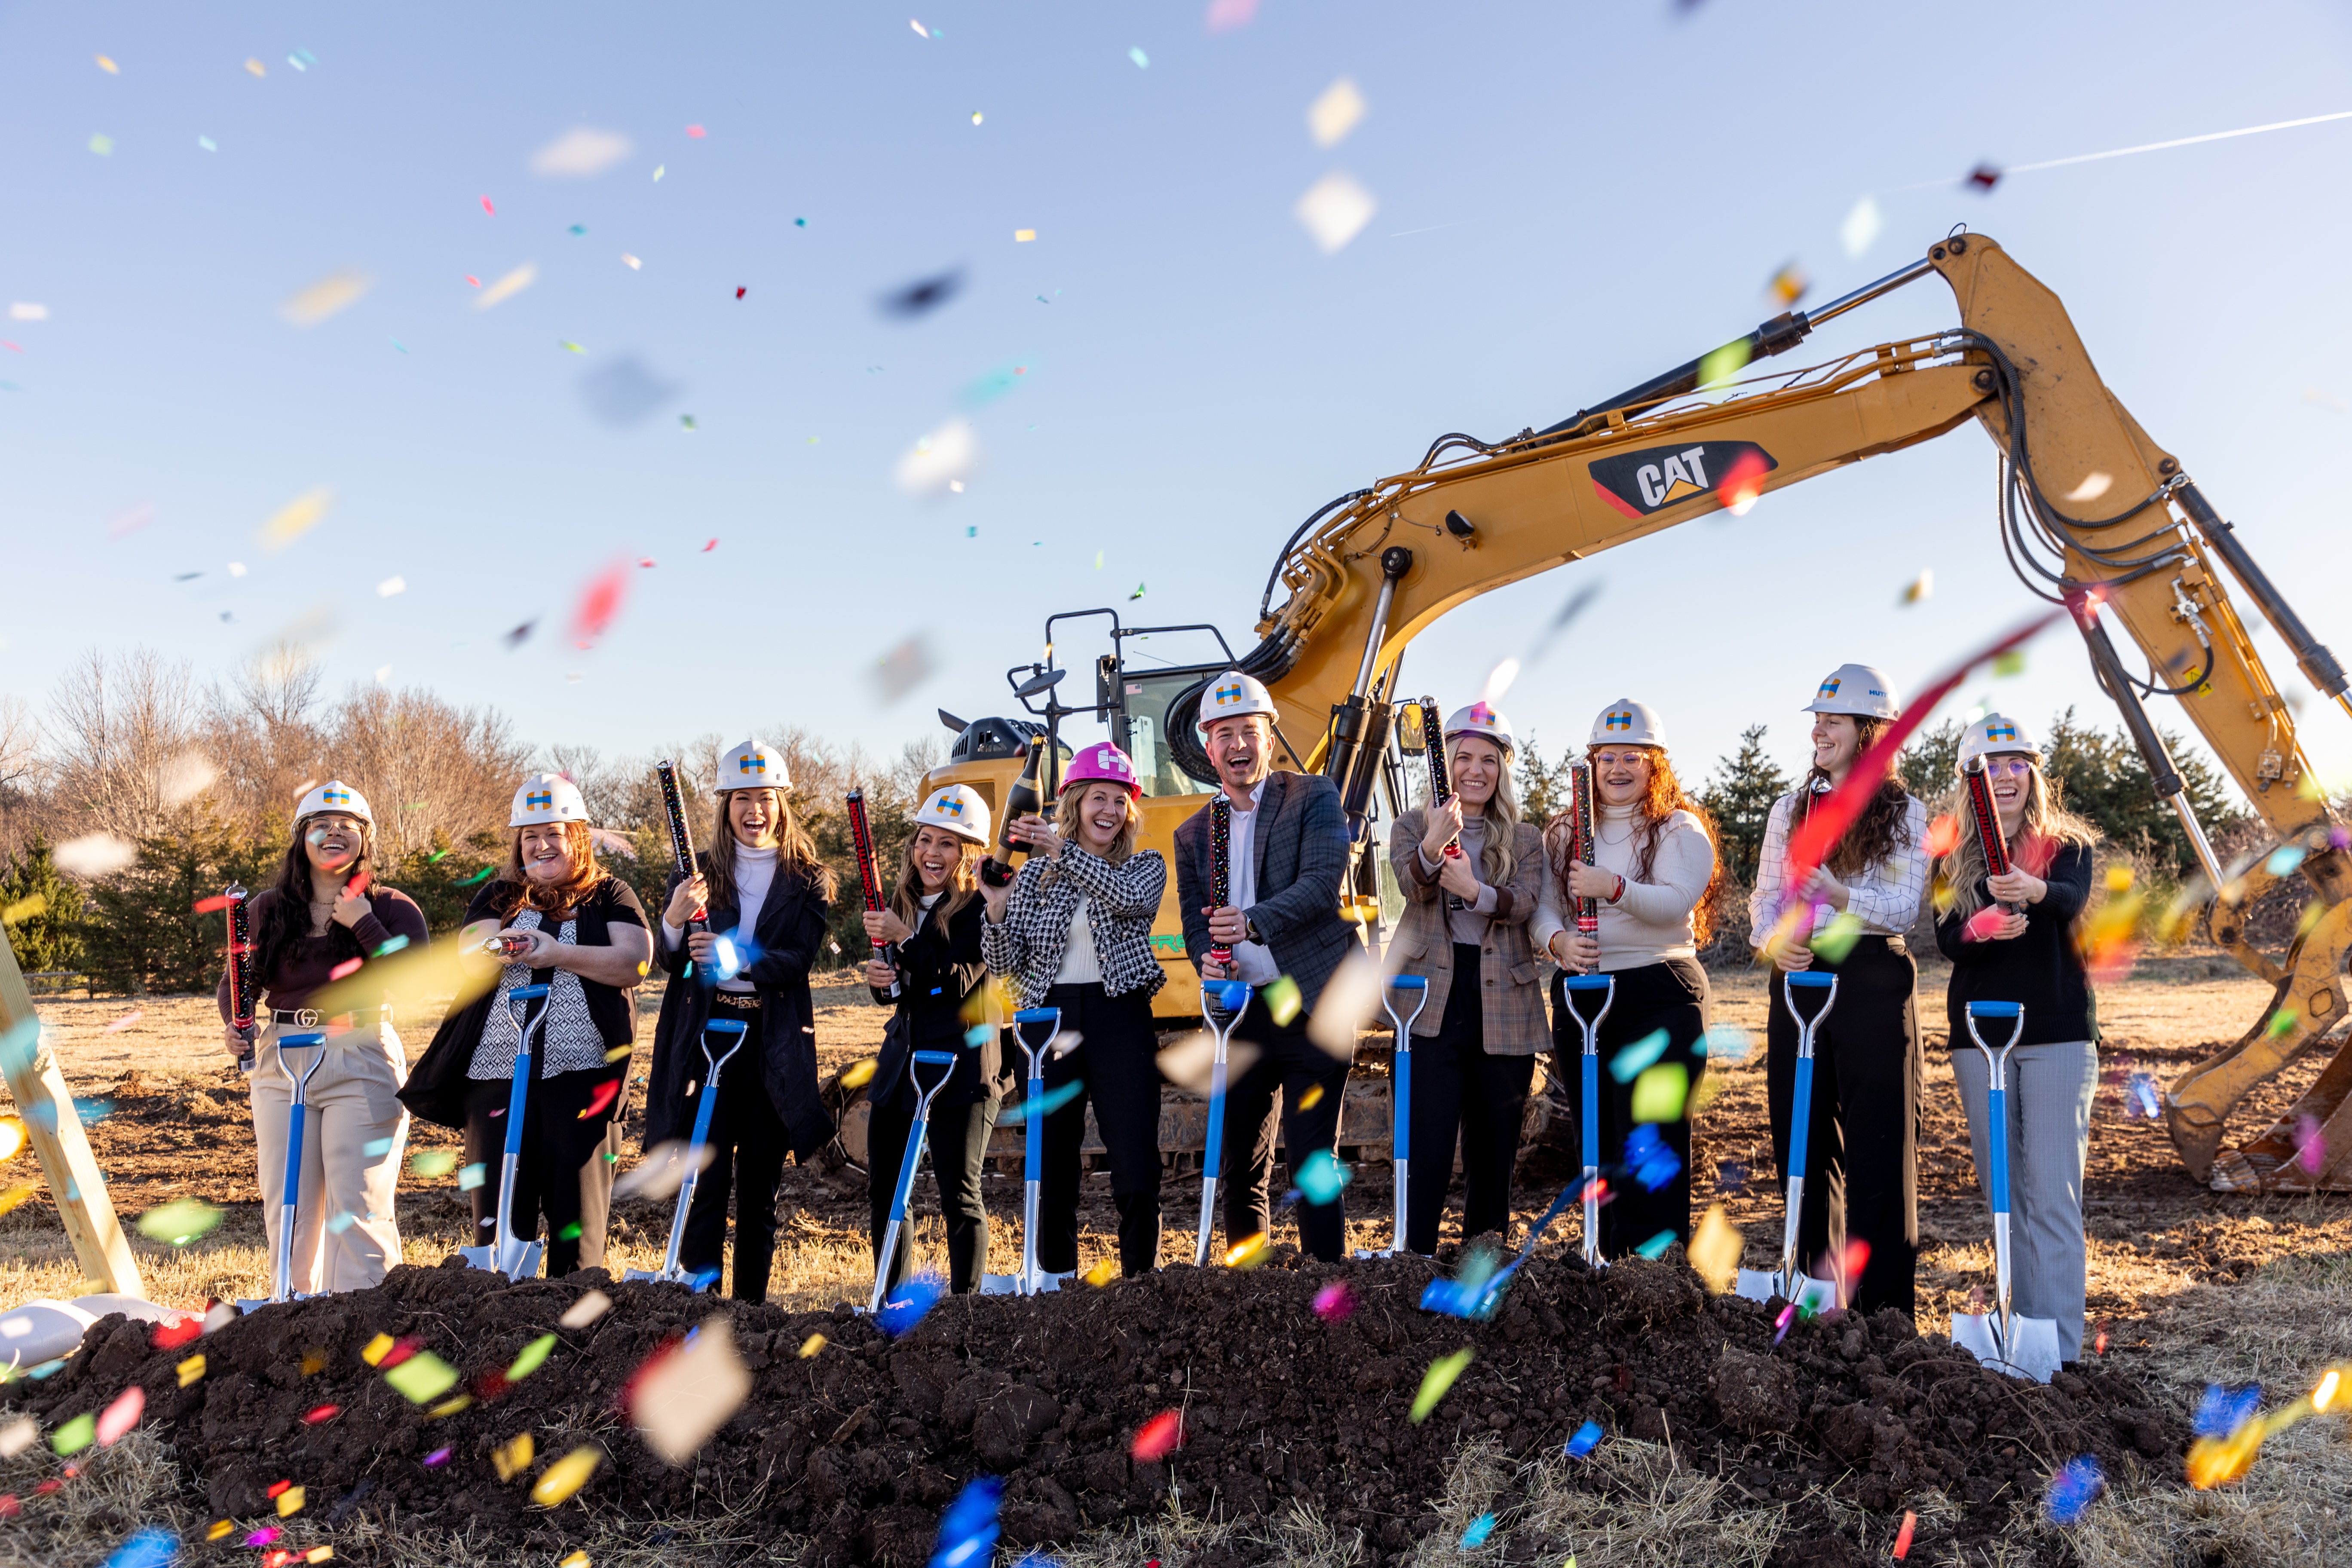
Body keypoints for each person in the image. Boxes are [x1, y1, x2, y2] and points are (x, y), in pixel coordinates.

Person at [399, 772, 649, 1278]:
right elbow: (473, 956)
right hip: (497, 1079)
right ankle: (501, 1320)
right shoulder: (499, 895)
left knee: (575, 1225)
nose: (541, 846)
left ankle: (575, 1318)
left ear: (576, 837)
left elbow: (634, 961)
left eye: (553, 834)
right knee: (498, 1220)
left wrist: (557, 953)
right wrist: (507, 945)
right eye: (530, 836)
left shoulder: (610, 894)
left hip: (583, 1077)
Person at [1746, 663, 1930, 1316]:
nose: (1819, 729)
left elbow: (1906, 906)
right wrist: (1772, 942)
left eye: (1834, 719)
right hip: (1797, 979)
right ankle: (1818, 1298)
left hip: (1871, 980)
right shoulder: (1788, 809)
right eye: (1817, 719)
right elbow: (1765, 899)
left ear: (1869, 732)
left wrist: (1839, 894)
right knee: (1802, 1141)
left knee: (1879, 1144)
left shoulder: (1906, 812)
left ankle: (1883, 1313)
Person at [1174, 671, 1362, 1263]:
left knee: (1313, 1161)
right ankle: (1248, 1291)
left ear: (1269, 735)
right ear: (1208, 747)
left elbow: (1319, 886)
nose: (1237, 746)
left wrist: (1252, 921)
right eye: (1224, 734)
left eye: (1248, 731)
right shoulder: (1193, 833)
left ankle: (1323, 1282)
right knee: (1241, 1166)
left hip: (1313, 1000)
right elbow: (1195, 920)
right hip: (1241, 1013)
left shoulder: (1313, 796)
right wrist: (1209, 955)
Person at [642, 740, 837, 1303]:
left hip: (771, 1045)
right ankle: (700, 1307)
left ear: (782, 804)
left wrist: (739, 958)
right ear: (726, 806)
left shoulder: (809, 880)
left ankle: (752, 1316)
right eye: (742, 799)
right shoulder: (694, 873)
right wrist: (674, 920)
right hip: (709, 1041)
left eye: (766, 799)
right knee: (704, 1187)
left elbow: (798, 961)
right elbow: (673, 961)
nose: (755, 811)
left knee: (759, 1191)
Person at [1934, 713, 2102, 1361]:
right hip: (1980, 1036)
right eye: (1989, 767)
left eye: (2016, 764)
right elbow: (1948, 938)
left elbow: (2070, 901)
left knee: (2052, 1191)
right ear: (1970, 780)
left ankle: (2059, 1352)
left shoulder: (2069, 848)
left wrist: (2032, 890)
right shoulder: (1950, 853)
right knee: (2005, 1195)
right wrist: (1982, 927)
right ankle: (2019, 1331)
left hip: (2057, 1033)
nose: (2004, 777)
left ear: (2034, 773)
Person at [216, 780, 427, 1292]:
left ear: (365, 840)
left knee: (358, 1207)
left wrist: (365, 924)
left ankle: (366, 1325)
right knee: (290, 1206)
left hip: (360, 1055)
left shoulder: (392, 906)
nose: (334, 833)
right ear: (301, 839)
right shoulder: (269, 908)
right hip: (282, 1061)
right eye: (321, 826)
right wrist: (235, 1025)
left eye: (347, 827)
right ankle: (290, 1317)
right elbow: (237, 981)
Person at [1532, 699, 1722, 1259]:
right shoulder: (1567, 830)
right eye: (1606, 758)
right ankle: (1607, 1265)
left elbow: (1675, 902)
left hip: (1659, 994)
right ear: (1591, 764)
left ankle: (1656, 1275)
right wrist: (1558, 943)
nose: (1617, 770)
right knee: (1598, 1140)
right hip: (1584, 994)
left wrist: (1610, 886)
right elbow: (1545, 905)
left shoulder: (1677, 828)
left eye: (1632, 759)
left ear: (1655, 766)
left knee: (1652, 1142)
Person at [981, 741, 1168, 1278]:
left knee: (1135, 1163)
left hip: (1120, 1019)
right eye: (1098, 799)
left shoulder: (1143, 866)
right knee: (1052, 1164)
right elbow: (1006, 965)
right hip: (1047, 1022)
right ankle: (1056, 1281)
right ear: (1075, 802)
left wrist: (1063, 852)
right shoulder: (1036, 877)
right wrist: (995, 911)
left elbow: (1129, 900)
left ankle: (1139, 1280)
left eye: (1119, 800)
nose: (1109, 811)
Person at [1386, 703, 1547, 1255]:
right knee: (1426, 1144)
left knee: (1494, 1146)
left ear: (1503, 770)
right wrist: (1435, 843)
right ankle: (1416, 1263)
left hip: (1504, 999)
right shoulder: (1412, 824)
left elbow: (1526, 902)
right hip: (1430, 998)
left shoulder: (1525, 839)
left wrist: (1476, 890)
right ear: (1446, 764)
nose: (1475, 771)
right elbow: (1412, 888)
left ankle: (1484, 1262)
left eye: (1487, 760)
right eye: (1463, 759)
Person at [862, 784, 1002, 1297]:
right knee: (888, 1191)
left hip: (962, 1064)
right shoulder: (898, 902)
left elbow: (958, 983)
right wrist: (884, 983)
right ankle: (889, 1296)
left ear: (966, 853)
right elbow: (904, 992)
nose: (932, 853)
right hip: (904, 1061)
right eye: (925, 840)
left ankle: (967, 1306)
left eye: (947, 843)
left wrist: (906, 938)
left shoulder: (979, 908)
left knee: (958, 1194)